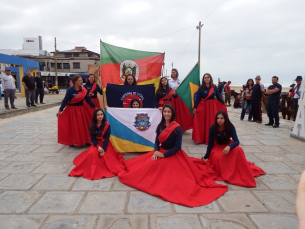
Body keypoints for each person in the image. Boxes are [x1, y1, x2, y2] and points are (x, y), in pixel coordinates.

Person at [118, 104, 228, 207]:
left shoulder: (177, 128)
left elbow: (177, 147)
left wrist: (163, 155)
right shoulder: (160, 126)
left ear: (172, 113)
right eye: (165, 111)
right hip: (160, 151)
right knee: (146, 167)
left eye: (169, 112)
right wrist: (156, 151)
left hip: (172, 154)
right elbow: (156, 141)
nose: (166, 114)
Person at [203, 111, 265, 187]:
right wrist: (206, 156)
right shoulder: (212, 128)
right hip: (218, 147)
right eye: (218, 118)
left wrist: (229, 147)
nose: (219, 120)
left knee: (238, 149)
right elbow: (210, 143)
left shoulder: (230, 126)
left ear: (225, 119)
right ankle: (226, 171)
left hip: (228, 145)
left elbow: (237, 141)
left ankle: (238, 168)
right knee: (218, 158)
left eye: (221, 118)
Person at [69, 109, 124, 179]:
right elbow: (93, 138)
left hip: (105, 144)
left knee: (105, 157)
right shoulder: (92, 126)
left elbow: (107, 138)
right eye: (98, 115)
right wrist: (98, 147)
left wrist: (103, 149)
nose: (100, 116)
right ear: (95, 116)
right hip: (96, 144)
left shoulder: (107, 125)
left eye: (101, 114)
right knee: (92, 154)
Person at [56, 74, 96, 146]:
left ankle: (86, 140)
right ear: (74, 82)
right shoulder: (70, 90)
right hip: (72, 111)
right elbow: (65, 101)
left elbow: (88, 100)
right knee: (73, 127)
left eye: (81, 80)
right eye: (79, 80)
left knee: (84, 126)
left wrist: (95, 108)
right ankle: (72, 141)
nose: (81, 82)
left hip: (81, 110)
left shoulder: (84, 90)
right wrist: (60, 110)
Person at [192, 73, 227, 144]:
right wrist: (195, 107)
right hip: (204, 107)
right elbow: (198, 98)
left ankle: (211, 138)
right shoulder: (201, 88)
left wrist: (223, 103)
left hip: (212, 106)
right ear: (203, 79)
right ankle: (203, 138)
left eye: (208, 77)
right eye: (205, 78)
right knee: (203, 122)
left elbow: (218, 96)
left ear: (210, 78)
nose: (206, 79)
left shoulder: (214, 87)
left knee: (212, 122)